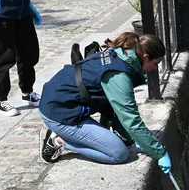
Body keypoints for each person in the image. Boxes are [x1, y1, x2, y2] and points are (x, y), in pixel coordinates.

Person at [37, 32, 172, 174]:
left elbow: (114, 108)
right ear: (145, 57)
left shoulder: (119, 55)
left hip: (65, 102)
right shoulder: (118, 75)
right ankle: (58, 140)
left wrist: (132, 137)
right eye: (156, 63)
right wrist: (160, 153)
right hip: (59, 113)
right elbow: (131, 120)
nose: (155, 68)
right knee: (118, 153)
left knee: (117, 142)